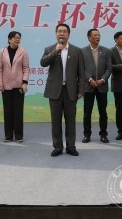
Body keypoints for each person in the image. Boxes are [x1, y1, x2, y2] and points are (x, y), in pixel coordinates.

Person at [40, 23, 84, 157]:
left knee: (70, 120)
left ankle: (71, 146)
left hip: (71, 90)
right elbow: (43, 63)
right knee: (56, 121)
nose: (62, 33)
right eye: (59, 31)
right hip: (55, 90)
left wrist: (81, 90)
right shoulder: (49, 49)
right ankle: (58, 147)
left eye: (64, 31)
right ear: (56, 34)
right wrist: (56, 51)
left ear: (68, 34)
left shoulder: (77, 51)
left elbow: (81, 73)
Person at [0, 31, 29, 142]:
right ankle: (8, 135)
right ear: (9, 39)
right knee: (8, 111)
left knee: (18, 111)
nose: (17, 39)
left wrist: (25, 82)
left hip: (19, 85)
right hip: (5, 85)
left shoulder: (23, 52)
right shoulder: (2, 52)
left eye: (19, 38)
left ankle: (19, 135)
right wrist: (0, 84)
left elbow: (26, 68)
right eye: (15, 38)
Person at [81, 29, 112, 143]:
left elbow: (109, 68)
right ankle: (86, 135)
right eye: (95, 35)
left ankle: (103, 134)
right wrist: (90, 79)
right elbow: (81, 68)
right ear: (89, 37)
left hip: (102, 86)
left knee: (103, 112)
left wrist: (102, 80)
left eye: (99, 35)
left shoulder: (106, 51)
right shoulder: (82, 51)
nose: (98, 37)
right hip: (88, 86)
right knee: (87, 112)